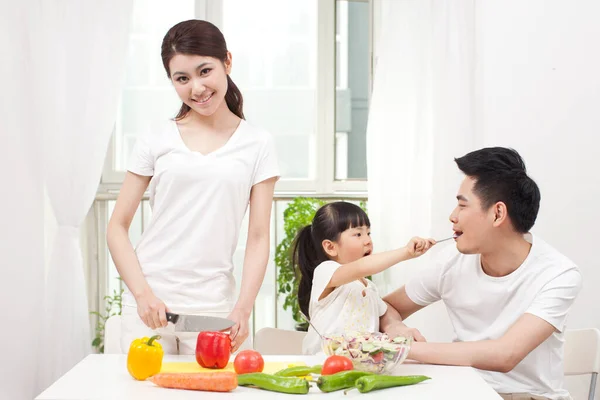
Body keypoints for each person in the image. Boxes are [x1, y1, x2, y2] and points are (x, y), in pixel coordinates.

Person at [107, 19, 280, 355]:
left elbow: (258, 236)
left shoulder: (258, 143)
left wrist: (243, 308)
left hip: (213, 307)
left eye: (205, 71)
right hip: (148, 304)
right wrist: (142, 295)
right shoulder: (156, 137)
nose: (197, 88)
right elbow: (117, 227)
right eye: (182, 78)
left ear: (227, 62)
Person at [381, 147, 582, 400]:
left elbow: (505, 355)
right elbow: (387, 306)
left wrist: (405, 349)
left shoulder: (559, 274)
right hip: (464, 391)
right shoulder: (451, 262)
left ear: (497, 213)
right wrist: (395, 326)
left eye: (462, 206)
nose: (452, 217)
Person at [292, 201, 436, 354]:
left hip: (360, 365)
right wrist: (406, 252)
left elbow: (386, 313)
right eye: (358, 234)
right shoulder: (325, 271)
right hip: (322, 363)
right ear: (330, 247)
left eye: (368, 233)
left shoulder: (369, 288)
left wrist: (399, 329)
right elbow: (363, 266)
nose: (368, 240)